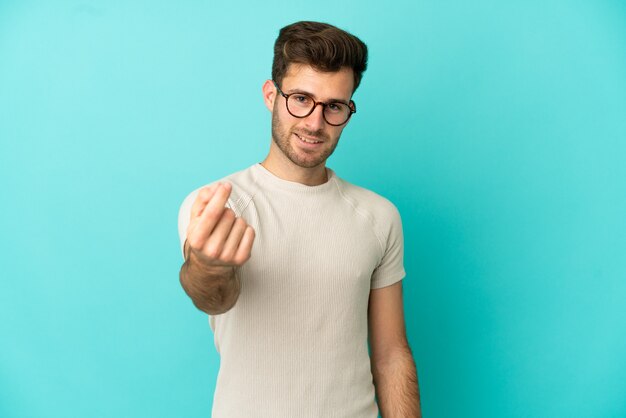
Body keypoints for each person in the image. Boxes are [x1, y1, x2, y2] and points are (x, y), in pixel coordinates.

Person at [177, 21, 421, 418]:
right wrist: (207, 265)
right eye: (301, 99)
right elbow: (212, 296)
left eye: (334, 106)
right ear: (271, 95)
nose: (314, 122)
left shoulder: (379, 216)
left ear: (348, 110)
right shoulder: (216, 206)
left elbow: (392, 354)